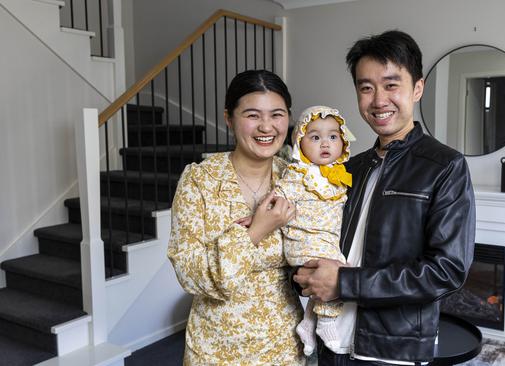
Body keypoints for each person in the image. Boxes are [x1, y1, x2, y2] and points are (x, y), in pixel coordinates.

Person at [293, 30, 476, 365]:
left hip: (391, 349)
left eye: (391, 85)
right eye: (366, 87)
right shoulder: (349, 167)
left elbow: (447, 271)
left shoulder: (445, 166)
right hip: (329, 337)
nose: (378, 100)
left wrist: (345, 283)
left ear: (417, 88)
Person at [167, 69, 304, 365]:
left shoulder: (295, 179)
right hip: (215, 347)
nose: (266, 126)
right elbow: (188, 273)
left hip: (282, 344)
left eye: (277, 115)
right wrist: (255, 231)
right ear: (229, 118)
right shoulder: (200, 180)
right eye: (252, 115)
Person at [276, 106, 353, 355]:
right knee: (340, 273)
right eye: (315, 137)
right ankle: (327, 323)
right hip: (304, 240)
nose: (325, 143)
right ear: (299, 142)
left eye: (333, 136)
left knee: (328, 279)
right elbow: (277, 197)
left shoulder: (337, 176)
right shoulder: (298, 174)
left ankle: (308, 324)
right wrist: (256, 216)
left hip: (325, 242)